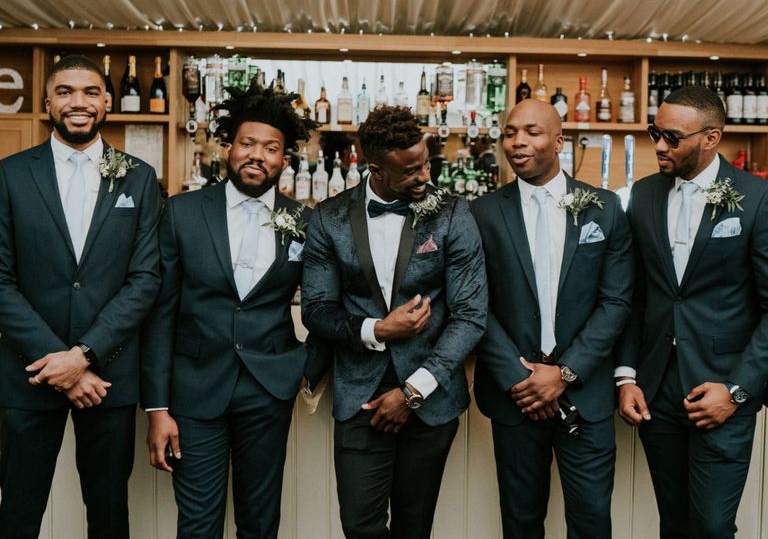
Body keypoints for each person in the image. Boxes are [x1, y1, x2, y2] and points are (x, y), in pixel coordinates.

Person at [141, 82, 330, 538]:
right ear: (229, 147)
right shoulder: (181, 212)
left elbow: (327, 303)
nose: (257, 155)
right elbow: (159, 312)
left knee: (260, 522)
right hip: (194, 390)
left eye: (271, 148)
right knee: (199, 523)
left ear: (285, 160)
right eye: (247, 143)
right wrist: (157, 408)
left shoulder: (306, 222)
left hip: (268, 390)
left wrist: (308, 366)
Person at [301, 106, 487, 539]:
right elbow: (317, 309)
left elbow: (471, 314)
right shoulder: (328, 218)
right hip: (357, 398)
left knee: (414, 527)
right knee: (360, 526)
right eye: (410, 171)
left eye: (425, 163)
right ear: (376, 168)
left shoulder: (454, 214)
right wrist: (377, 330)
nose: (425, 177)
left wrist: (413, 390)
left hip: (431, 397)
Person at [0, 55, 162, 538]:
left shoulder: (138, 176)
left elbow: (145, 279)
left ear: (107, 102)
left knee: (109, 509)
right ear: (47, 101)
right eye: (66, 92)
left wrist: (86, 355)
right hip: (27, 375)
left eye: (90, 92)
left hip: (107, 376)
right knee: (18, 511)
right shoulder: (8, 175)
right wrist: (59, 361)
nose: (79, 102)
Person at [471, 99, 633, 539]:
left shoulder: (604, 207)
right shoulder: (481, 213)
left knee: (592, 522)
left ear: (559, 141)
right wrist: (522, 379)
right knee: (521, 523)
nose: (517, 142)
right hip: (515, 395)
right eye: (509, 133)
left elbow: (616, 301)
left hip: (587, 394)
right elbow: (472, 304)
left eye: (531, 132)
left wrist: (564, 373)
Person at [616, 85, 768, 538]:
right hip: (658, 392)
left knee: (712, 527)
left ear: (711, 138)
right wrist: (627, 377)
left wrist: (737, 390)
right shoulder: (642, 196)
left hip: (721, 392)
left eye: (673, 137)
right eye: (655, 133)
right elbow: (636, 296)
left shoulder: (756, 198)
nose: (660, 146)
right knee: (675, 524)